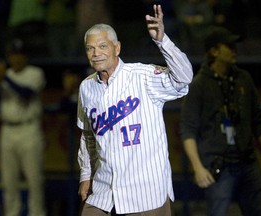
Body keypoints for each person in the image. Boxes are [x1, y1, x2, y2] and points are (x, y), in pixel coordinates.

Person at [77, 4, 193, 216]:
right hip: (104, 190)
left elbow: (185, 77)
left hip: (145, 192)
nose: (96, 54)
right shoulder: (87, 87)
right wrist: (86, 175)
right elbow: (88, 135)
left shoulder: (143, 76)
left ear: (117, 48)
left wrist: (162, 40)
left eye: (103, 46)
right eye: (90, 48)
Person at [180, 26, 261, 216]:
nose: (234, 50)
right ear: (214, 51)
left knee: (260, 211)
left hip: (247, 161)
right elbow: (188, 129)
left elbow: (258, 122)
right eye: (228, 46)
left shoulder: (243, 79)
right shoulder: (199, 85)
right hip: (218, 164)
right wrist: (198, 167)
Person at [0, 39, 46, 216]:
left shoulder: (35, 73)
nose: (16, 58)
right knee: (8, 181)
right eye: (13, 55)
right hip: (7, 131)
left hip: (29, 130)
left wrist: (3, 77)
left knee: (35, 181)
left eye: (19, 54)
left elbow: (26, 93)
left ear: (25, 56)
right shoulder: (4, 75)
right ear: (9, 57)